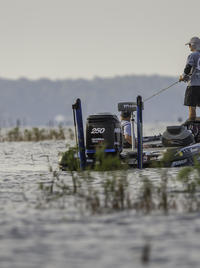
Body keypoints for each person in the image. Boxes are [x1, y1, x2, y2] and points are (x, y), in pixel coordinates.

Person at [179, 36, 200, 121]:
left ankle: (192, 124)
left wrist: (183, 76)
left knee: (192, 106)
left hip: (193, 86)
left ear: (193, 45)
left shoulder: (192, 55)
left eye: (190, 45)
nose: (189, 47)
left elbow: (189, 67)